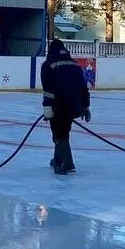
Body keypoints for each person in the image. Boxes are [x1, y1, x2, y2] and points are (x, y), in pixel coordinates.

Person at [40, 39, 91, 175]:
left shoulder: (48, 65)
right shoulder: (75, 64)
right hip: (74, 105)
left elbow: (48, 89)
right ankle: (58, 159)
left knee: (59, 134)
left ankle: (68, 164)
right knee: (63, 131)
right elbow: (83, 88)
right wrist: (85, 106)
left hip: (59, 105)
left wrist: (47, 107)